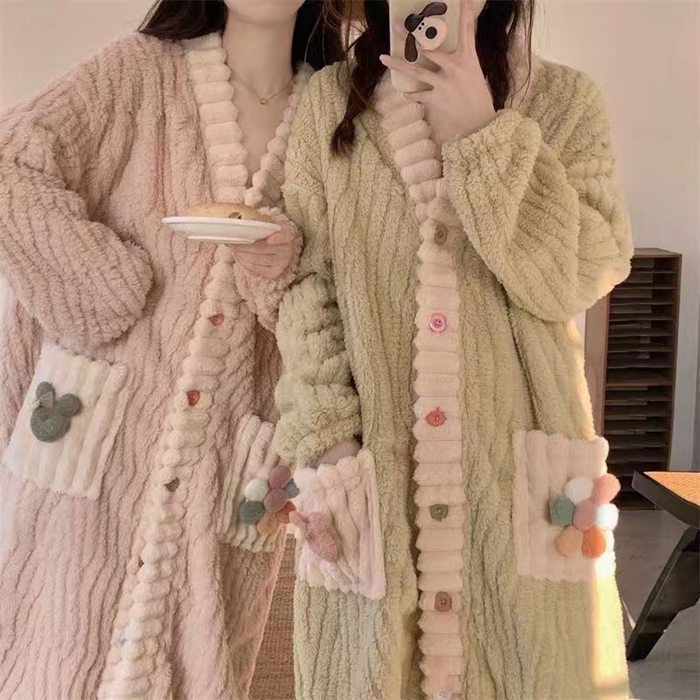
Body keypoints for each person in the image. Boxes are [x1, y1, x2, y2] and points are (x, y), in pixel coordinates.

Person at [273, 0, 633, 697]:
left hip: (516, 474)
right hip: (372, 468)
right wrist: (328, 443)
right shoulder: (329, 104)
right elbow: (304, 284)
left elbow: (577, 278)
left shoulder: (564, 101)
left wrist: (484, 133)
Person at [0, 1, 341, 697]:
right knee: (51, 654)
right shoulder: (139, 73)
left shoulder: (335, 117)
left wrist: (285, 268)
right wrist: (105, 287)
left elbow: (351, 290)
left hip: (231, 464)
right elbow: (11, 163)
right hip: (96, 442)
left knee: (199, 660)